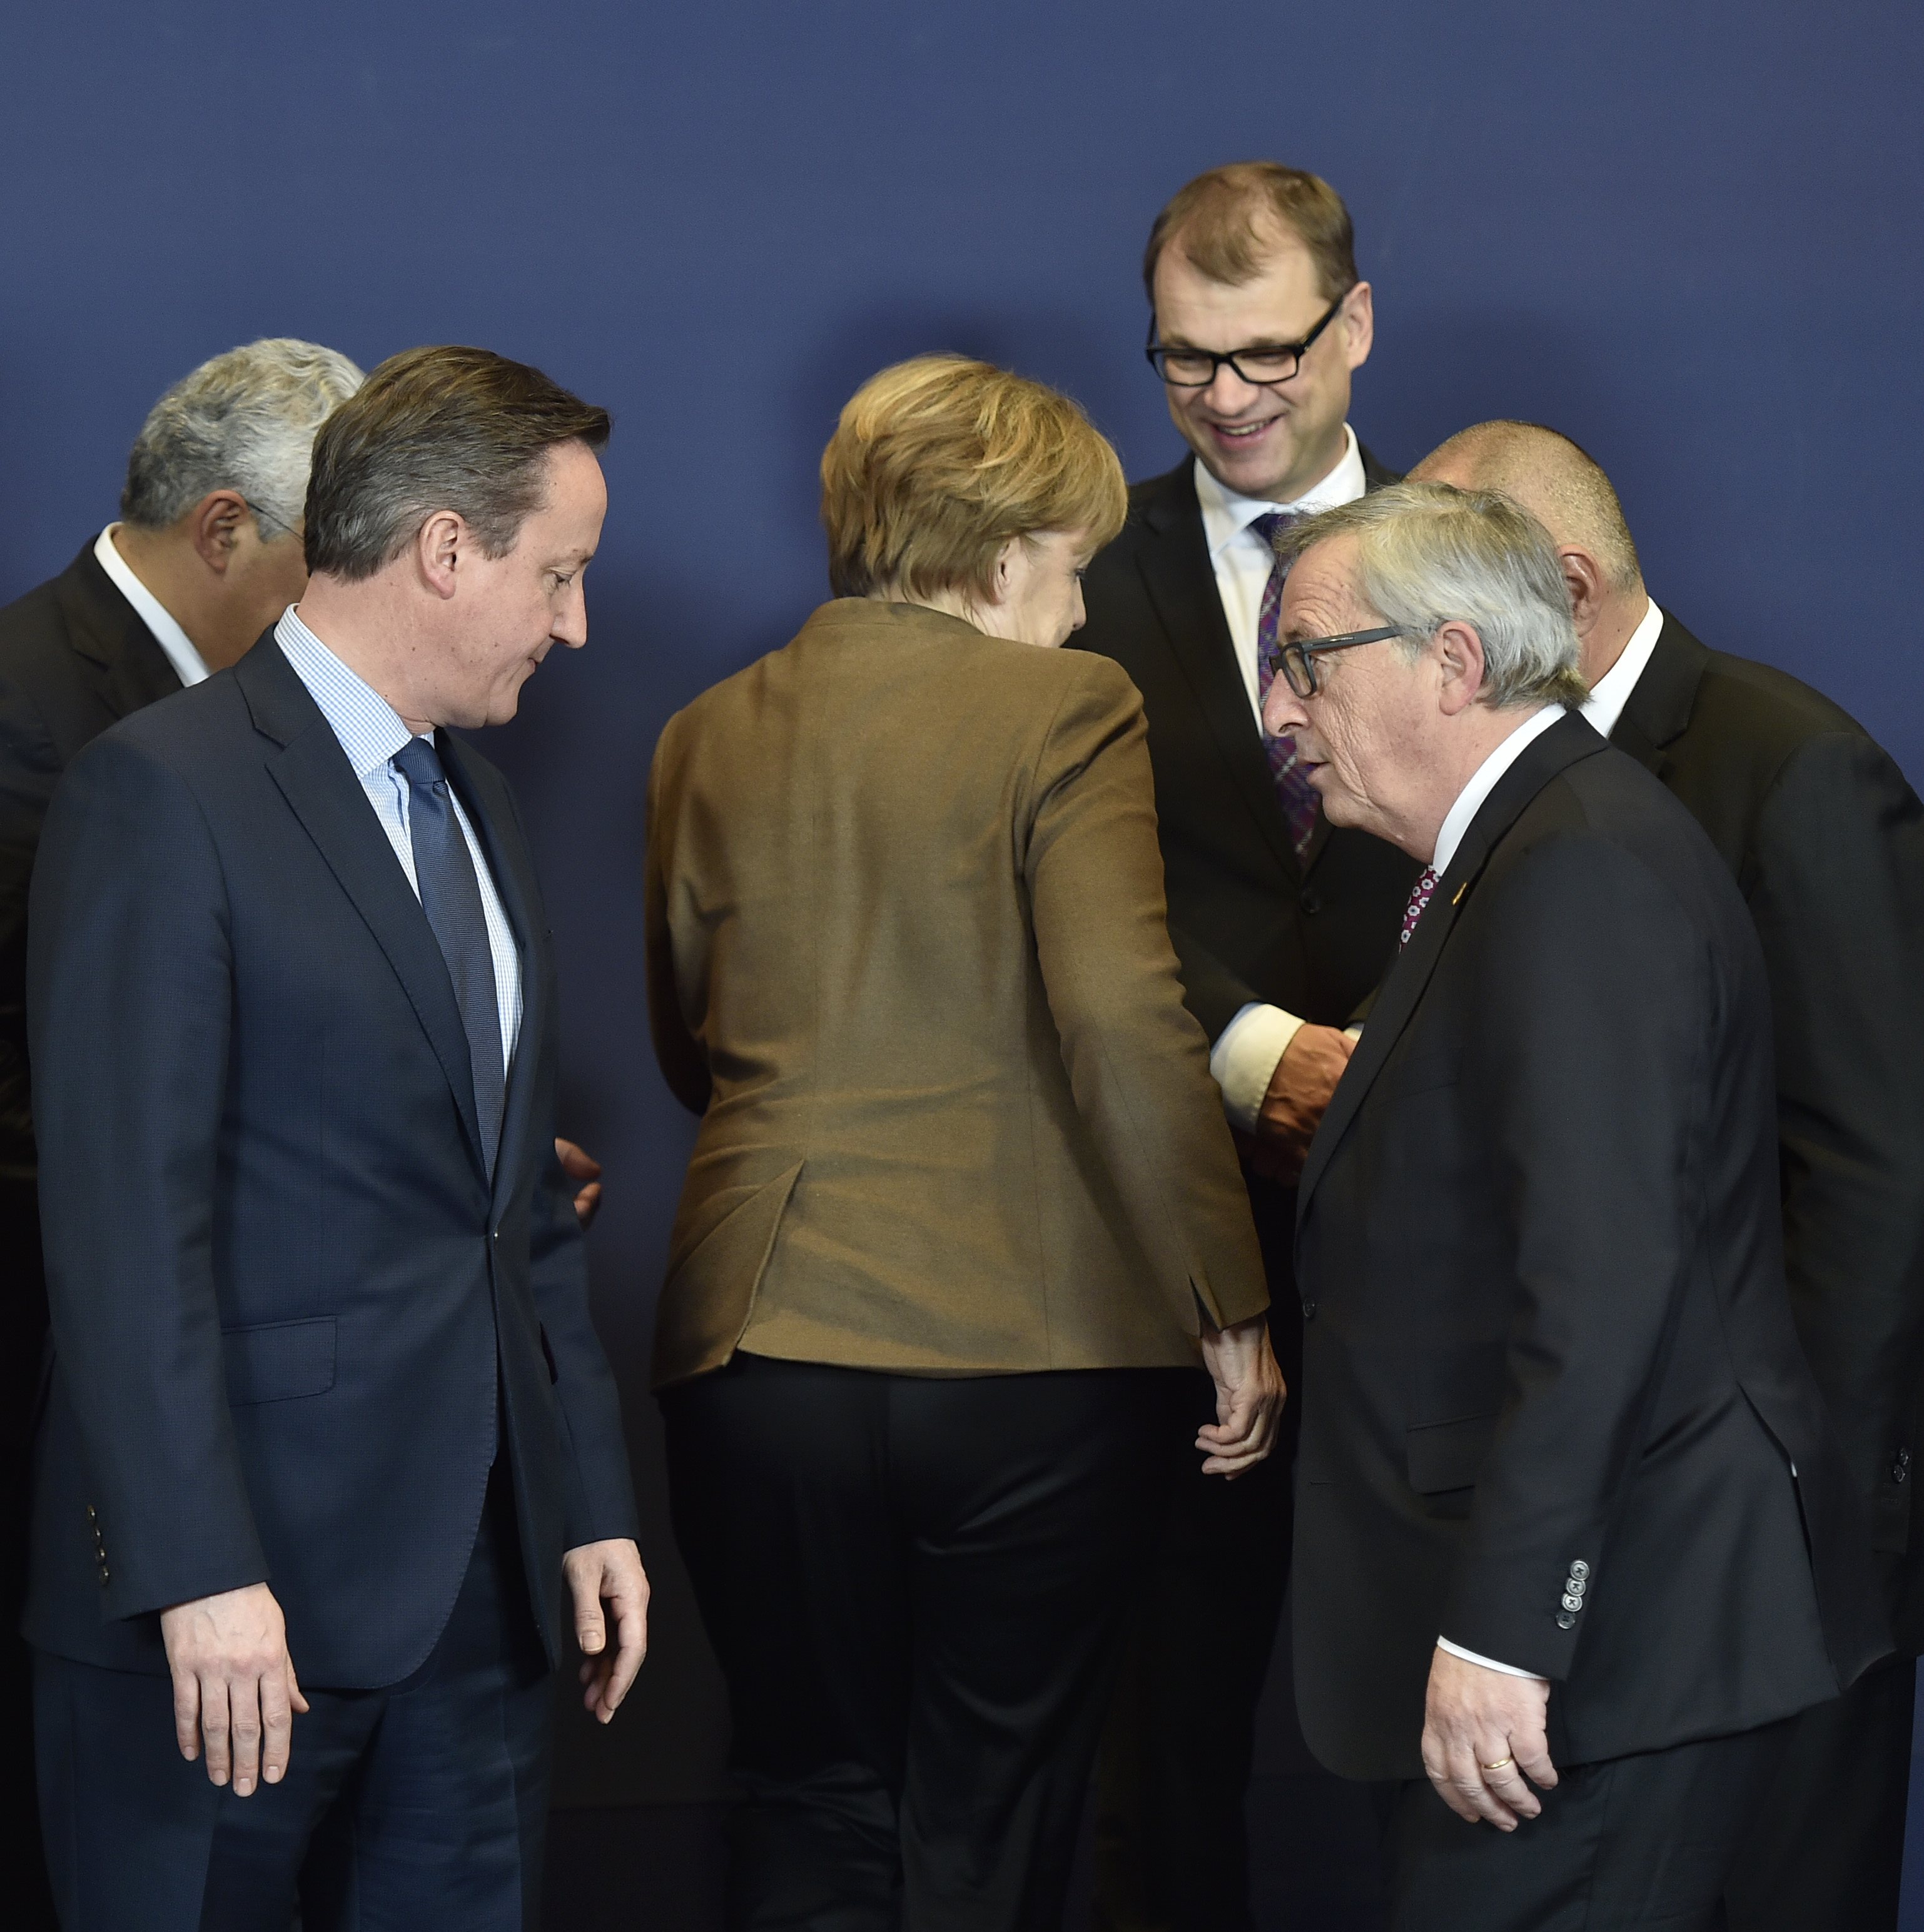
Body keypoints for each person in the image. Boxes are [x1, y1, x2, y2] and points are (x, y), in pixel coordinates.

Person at [646, 353, 1283, 1931]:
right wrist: (1224, 1300)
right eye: (1069, 567)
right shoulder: (1070, 702)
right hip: (1031, 1357)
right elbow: (1122, 1021)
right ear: (1001, 561)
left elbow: (687, 1041)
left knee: (806, 1793)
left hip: (754, 1348)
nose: (1076, 606)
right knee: (985, 1818)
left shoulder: (702, 732)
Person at [25, 343, 647, 1931]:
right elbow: (123, 1225)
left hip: (485, 1608)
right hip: (234, 1616)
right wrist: (195, 1570)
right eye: (558, 574)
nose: (575, 624)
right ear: (444, 550)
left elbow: (515, 1209)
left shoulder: (483, 804)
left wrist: (587, 1500)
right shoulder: (156, 792)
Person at [1263, 480, 1887, 1929]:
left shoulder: (1577, 866)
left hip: (1594, 1657)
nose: (1279, 711)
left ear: (1451, 662)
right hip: (1570, 1646)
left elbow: (1602, 1281)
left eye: (1305, 661)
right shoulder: (1518, 854)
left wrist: (1504, 1631)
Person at [1410, 420, 1924, 1931]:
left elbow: (1877, 1175)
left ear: (1563, 589)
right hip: (1606, 1512)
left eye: (1448, 596)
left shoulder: (1790, 765)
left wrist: (1806, 1506)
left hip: (1783, 1537)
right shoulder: (1497, 781)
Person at [1068, 161, 1417, 1931]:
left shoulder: (1470, 546)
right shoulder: (1076, 566)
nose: (1225, 396)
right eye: (1183, 358)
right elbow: (1060, 882)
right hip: (1175, 1244)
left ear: (1351, 325)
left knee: (1465, 1720)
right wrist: (1253, 1046)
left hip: (1435, 1225)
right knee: (1164, 1732)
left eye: (1266, 350)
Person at [0, 336, 360, 1932]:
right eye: (322, 562)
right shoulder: (29, 708)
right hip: (56, 1369)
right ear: (223, 530)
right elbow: (48, 1080)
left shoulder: (269, 709)